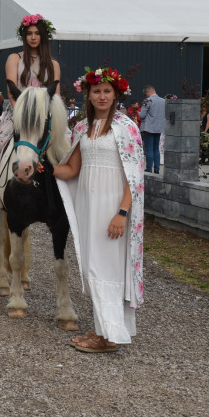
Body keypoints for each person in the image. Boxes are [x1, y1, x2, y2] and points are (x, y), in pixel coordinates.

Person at [53, 66, 143, 353]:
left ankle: (108, 336)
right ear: (88, 95)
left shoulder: (125, 127)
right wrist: (42, 168)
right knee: (93, 265)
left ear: (116, 94)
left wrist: (123, 212)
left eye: (107, 91)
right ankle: (105, 329)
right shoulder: (82, 128)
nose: (102, 96)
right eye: (96, 91)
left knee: (106, 267)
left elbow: (135, 175)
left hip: (112, 208)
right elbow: (71, 169)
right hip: (88, 208)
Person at [0, 14, 61, 221]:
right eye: (29, 33)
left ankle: (66, 199)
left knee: (70, 147)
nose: (33, 37)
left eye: (37, 34)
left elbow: (56, 97)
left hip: (45, 116)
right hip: (18, 113)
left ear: (43, 36)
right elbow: (12, 91)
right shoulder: (14, 59)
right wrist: (23, 114)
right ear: (24, 36)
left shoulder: (53, 64)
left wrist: (51, 118)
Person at [138, 85, 166, 174]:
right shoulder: (163, 101)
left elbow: (142, 115)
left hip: (148, 128)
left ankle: (149, 168)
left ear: (148, 92)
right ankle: (157, 168)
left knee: (149, 149)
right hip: (159, 128)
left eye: (146, 94)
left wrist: (138, 112)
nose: (146, 95)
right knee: (156, 148)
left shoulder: (147, 100)